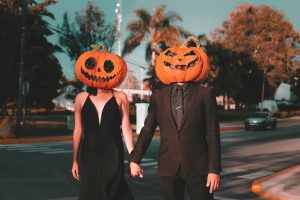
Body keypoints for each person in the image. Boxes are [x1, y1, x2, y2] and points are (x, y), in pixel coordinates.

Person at [129, 37, 221, 200]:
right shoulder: (158, 96)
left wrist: (214, 169)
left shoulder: (205, 94)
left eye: (185, 60)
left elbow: (213, 134)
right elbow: (147, 130)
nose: (180, 62)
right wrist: (135, 159)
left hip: (199, 167)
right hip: (168, 166)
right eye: (174, 60)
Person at [72, 87, 134, 200]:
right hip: (89, 156)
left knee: (116, 190)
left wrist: (133, 160)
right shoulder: (81, 97)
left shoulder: (120, 96)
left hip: (114, 153)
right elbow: (78, 130)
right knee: (91, 192)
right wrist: (74, 160)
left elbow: (126, 129)